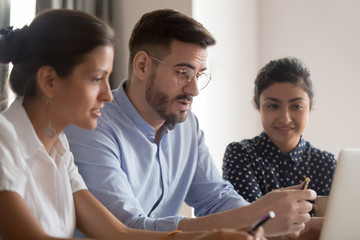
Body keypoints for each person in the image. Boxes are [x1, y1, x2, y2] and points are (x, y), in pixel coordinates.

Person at [0, 8, 266, 240]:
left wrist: (209, 237)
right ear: (49, 80)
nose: (107, 95)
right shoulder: (4, 142)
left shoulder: (60, 149)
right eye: (96, 79)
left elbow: (118, 234)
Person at [65, 9, 316, 238]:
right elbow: (128, 228)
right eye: (183, 73)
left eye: (199, 74)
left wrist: (271, 222)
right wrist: (255, 216)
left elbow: (216, 198)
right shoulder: (91, 127)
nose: (194, 89)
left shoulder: (188, 127)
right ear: (142, 65)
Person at [223, 57, 337, 206]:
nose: (285, 119)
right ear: (257, 104)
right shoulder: (241, 155)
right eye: (273, 106)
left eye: (296, 106)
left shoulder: (327, 164)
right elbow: (250, 223)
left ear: (310, 104)